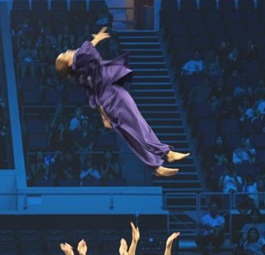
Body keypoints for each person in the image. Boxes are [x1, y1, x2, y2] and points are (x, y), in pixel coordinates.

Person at [55, 27, 189, 177]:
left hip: (107, 101)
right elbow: (86, 48)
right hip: (113, 96)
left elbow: (92, 95)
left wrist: (103, 115)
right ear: (67, 62)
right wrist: (97, 38)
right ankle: (165, 154)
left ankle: (155, 166)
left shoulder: (78, 74)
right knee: (138, 125)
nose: (67, 51)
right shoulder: (79, 59)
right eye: (64, 54)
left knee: (129, 134)